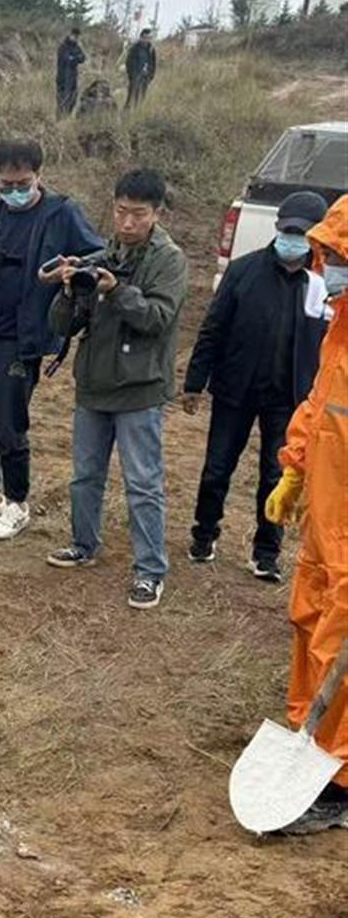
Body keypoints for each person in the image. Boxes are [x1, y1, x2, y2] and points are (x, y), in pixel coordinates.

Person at [44, 169, 189, 609]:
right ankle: (83, 544)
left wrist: (118, 290)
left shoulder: (169, 259)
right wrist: (70, 290)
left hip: (139, 388)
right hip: (95, 383)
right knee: (85, 474)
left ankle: (150, 570)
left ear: (156, 213)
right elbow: (64, 325)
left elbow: (157, 320)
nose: (127, 223)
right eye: (120, 211)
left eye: (137, 214)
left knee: (143, 482)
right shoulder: (103, 252)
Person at [0, 138, 103, 540]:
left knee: (8, 425)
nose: (14, 191)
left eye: (22, 182)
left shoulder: (61, 214)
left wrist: (68, 270)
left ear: (39, 176)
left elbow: (99, 256)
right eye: (6, 184)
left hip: (22, 338)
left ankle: (18, 502)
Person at [182, 190, 330, 581]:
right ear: (278, 228)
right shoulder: (243, 271)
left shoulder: (321, 286)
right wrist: (196, 382)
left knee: (274, 475)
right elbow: (213, 327)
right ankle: (204, 533)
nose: (292, 240)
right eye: (288, 231)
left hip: (289, 397)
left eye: (301, 234)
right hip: (236, 389)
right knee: (217, 467)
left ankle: (266, 552)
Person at [263, 194, 348, 832]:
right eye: (332, 253)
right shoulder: (339, 328)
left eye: (342, 256)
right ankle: (307, 728)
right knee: (310, 615)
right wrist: (293, 469)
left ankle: (339, 775)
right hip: (326, 514)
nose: (331, 265)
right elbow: (320, 409)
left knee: (341, 633)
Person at [56, 26, 86, 116]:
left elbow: (83, 58)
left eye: (78, 37)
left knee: (73, 98)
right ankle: (60, 120)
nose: (76, 39)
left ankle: (67, 118)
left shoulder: (77, 47)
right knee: (63, 100)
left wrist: (75, 58)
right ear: (70, 35)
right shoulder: (63, 47)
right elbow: (67, 59)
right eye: (75, 36)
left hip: (73, 77)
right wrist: (75, 58)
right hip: (63, 77)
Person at [125, 29, 156, 108]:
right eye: (145, 38)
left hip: (145, 76)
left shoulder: (151, 49)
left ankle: (138, 111)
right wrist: (132, 75)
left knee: (141, 96)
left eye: (149, 38)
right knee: (131, 97)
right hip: (136, 76)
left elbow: (153, 63)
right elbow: (128, 62)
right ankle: (127, 112)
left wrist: (151, 75)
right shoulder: (135, 48)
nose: (147, 40)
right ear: (141, 37)